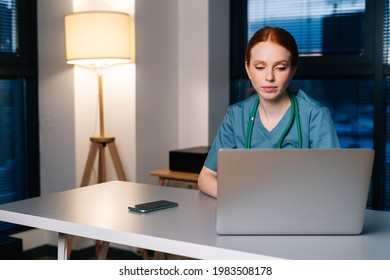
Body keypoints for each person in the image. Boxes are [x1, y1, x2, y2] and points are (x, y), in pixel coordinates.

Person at [198, 26, 340, 198]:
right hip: (247, 212)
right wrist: (239, 198)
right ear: (248, 69)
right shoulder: (237, 115)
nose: (269, 77)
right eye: (260, 67)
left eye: (280, 68)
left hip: (298, 214)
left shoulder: (315, 115)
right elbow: (206, 177)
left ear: (293, 69)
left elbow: (333, 183)